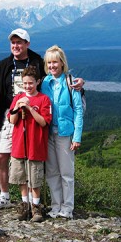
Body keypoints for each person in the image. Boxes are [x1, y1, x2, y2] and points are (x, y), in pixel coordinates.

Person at [0, 28, 85, 211]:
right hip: (13, 116)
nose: (16, 46)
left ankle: (51, 206)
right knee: (4, 157)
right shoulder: (2, 67)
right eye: (13, 42)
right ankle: (9, 197)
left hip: (40, 122)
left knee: (38, 164)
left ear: (27, 44)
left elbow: (64, 88)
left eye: (20, 42)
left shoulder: (38, 63)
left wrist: (80, 83)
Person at [41, 45, 83, 219]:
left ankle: (67, 208)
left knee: (66, 172)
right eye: (49, 63)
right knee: (51, 172)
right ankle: (55, 206)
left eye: (55, 62)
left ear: (62, 63)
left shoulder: (70, 82)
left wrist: (77, 137)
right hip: (48, 133)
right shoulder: (44, 83)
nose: (52, 66)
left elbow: (78, 110)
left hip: (66, 134)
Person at [7, 66, 52, 222]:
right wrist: (18, 107)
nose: (27, 86)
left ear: (38, 82)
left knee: (35, 178)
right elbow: (12, 120)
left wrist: (29, 109)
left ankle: (36, 207)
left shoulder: (43, 99)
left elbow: (44, 122)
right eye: (25, 83)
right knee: (21, 177)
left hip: (35, 145)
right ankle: (24, 205)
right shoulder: (18, 98)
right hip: (20, 144)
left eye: (31, 83)